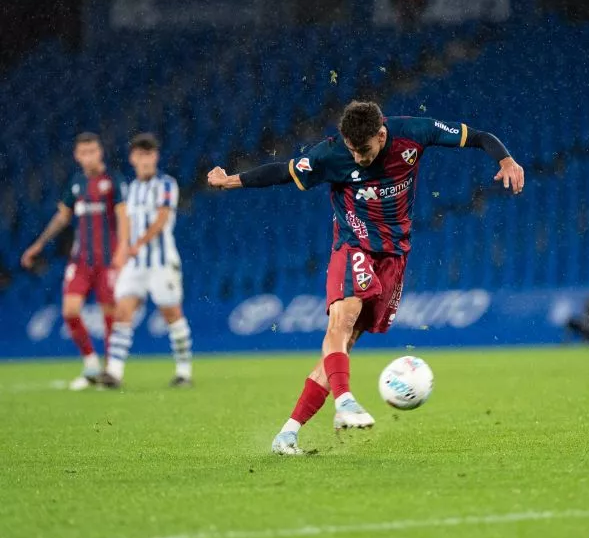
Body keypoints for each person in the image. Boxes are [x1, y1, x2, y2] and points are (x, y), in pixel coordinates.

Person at [207, 100, 524, 455]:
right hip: (352, 243)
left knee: (346, 341)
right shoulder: (330, 154)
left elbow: (477, 136)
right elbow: (283, 171)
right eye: (353, 150)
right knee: (341, 321)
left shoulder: (413, 132)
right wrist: (230, 180)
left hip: (394, 253)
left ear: (382, 134)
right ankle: (344, 402)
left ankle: (288, 433)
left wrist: (506, 159)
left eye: (366, 150)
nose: (359, 158)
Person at [20, 132, 127, 390]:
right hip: (81, 260)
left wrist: (123, 249)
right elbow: (62, 217)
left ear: (100, 152)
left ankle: (111, 370)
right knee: (69, 310)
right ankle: (91, 363)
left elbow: (124, 216)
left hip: (108, 260)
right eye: (84, 152)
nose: (89, 156)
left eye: (93, 151)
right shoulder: (76, 182)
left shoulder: (114, 180)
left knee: (109, 314)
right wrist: (39, 244)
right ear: (77, 156)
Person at [98, 133, 194, 388]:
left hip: (162, 263)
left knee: (171, 314)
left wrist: (138, 243)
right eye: (141, 154)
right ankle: (114, 372)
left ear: (156, 156)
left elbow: (162, 218)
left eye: (150, 153)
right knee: (123, 311)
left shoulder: (166, 184)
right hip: (136, 264)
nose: (146, 159)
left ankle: (184, 371)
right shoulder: (132, 189)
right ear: (133, 158)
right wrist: (123, 250)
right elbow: (127, 222)